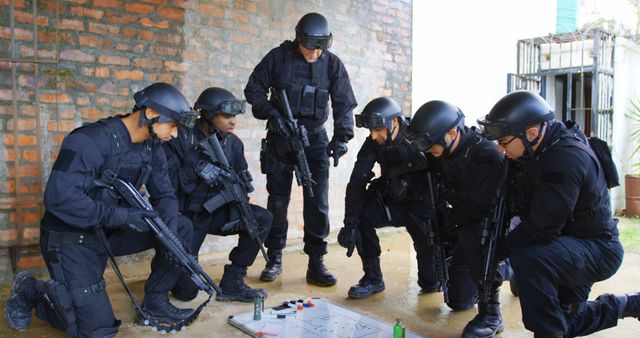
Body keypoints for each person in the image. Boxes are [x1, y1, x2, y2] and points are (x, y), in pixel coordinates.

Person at [5, 82, 199, 337]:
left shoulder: (153, 148)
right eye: (173, 126)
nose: (175, 134)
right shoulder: (90, 140)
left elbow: (165, 196)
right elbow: (59, 198)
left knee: (181, 226)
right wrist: (123, 216)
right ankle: (32, 290)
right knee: (97, 330)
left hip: (110, 230)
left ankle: (155, 303)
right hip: (72, 239)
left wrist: (169, 237)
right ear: (151, 113)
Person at [477, 90, 639, 337]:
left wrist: (501, 249)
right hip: (565, 244)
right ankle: (629, 304)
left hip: (595, 248)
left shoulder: (564, 158)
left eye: (504, 141)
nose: (500, 149)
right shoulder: (535, 150)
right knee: (568, 321)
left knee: (528, 257)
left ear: (531, 133)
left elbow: (542, 228)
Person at [244, 12, 357, 285]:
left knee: (317, 203)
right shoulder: (278, 58)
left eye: (321, 47)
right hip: (280, 139)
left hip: (315, 140)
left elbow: (344, 103)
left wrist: (342, 137)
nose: (315, 52)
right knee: (278, 201)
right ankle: (275, 257)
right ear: (299, 40)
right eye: (310, 47)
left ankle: (316, 262)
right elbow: (253, 91)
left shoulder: (332, 65)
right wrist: (273, 116)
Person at [406, 100, 516, 337]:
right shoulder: (439, 151)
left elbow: (480, 206)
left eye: (432, 146)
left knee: (475, 239)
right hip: (464, 223)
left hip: (490, 228)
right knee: (459, 301)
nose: (429, 152)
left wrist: (451, 222)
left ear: (452, 133)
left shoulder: (484, 154)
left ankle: (492, 311)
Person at [164, 87, 272, 302]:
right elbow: (165, 185)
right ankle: (169, 263)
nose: (233, 122)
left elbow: (240, 182)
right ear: (207, 114)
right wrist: (197, 169)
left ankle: (233, 282)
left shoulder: (233, 144)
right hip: (186, 218)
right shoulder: (180, 138)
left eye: (234, 116)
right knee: (186, 293)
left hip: (215, 212)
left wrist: (237, 208)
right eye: (226, 116)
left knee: (261, 219)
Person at [336, 97, 438, 299]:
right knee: (362, 216)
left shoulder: (418, 136)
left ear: (394, 122)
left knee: (431, 284)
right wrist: (350, 222)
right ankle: (373, 278)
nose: (374, 136)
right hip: (393, 201)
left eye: (378, 130)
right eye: (371, 131)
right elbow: (356, 182)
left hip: (421, 207)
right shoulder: (373, 144)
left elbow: (439, 174)